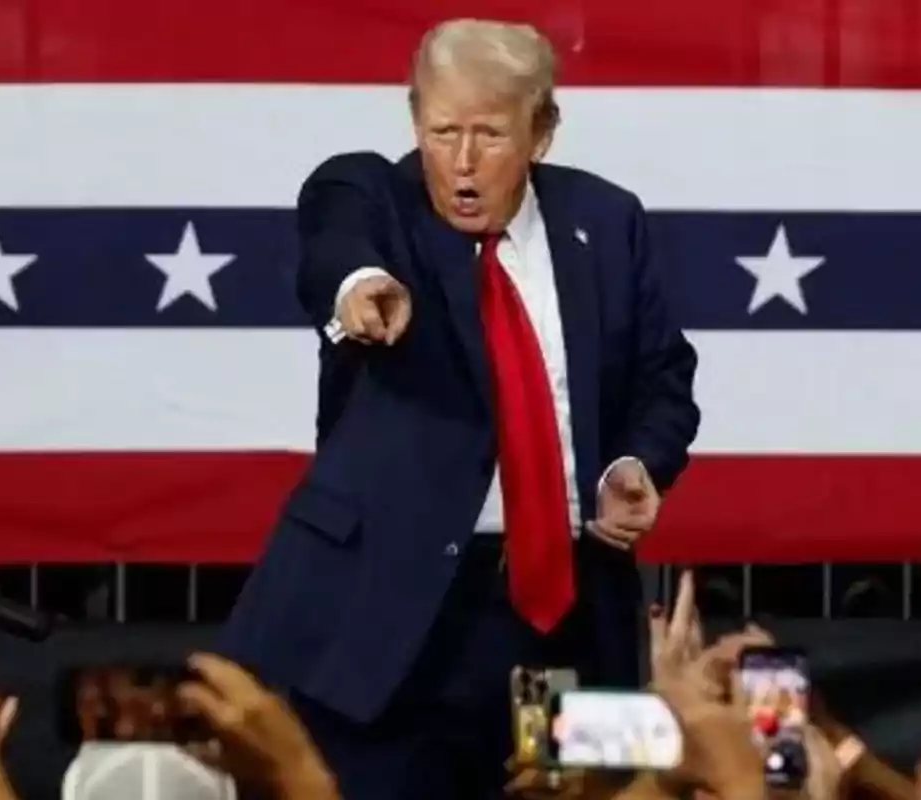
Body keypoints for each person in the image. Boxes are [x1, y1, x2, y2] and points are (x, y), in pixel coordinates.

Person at [217, 17, 700, 799]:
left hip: (559, 619)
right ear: (415, 118)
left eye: (489, 135)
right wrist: (357, 287)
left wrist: (631, 463)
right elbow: (335, 236)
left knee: (564, 791)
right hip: (391, 627)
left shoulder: (607, 222)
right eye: (442, 131)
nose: (463, 162)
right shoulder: (372, 196)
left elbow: (664, 378)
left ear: (542, 131)